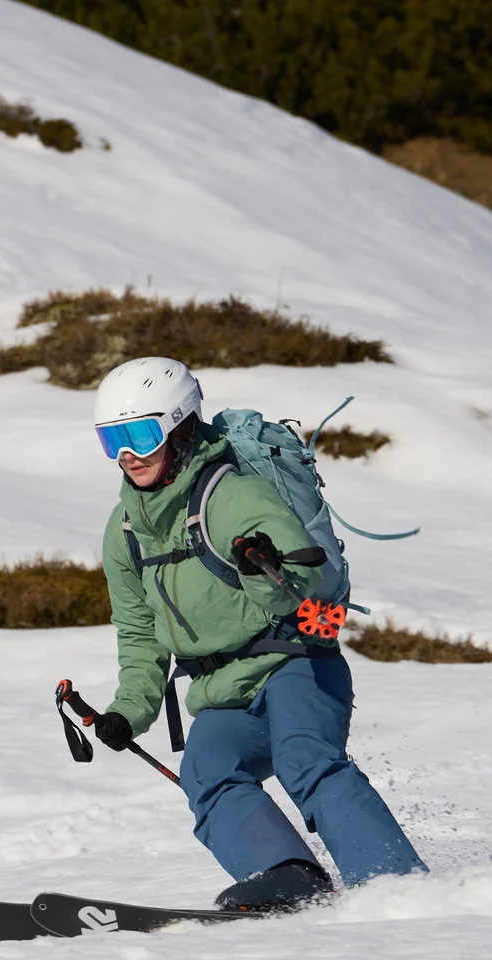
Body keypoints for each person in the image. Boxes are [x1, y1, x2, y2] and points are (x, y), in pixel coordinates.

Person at [86, 356, 428, 912]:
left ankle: (395, 882)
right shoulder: (125, 531)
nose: (127, 453)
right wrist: (130, 709)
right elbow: (139, 630)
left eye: (141, 434)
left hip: (297, 661)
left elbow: (309, 587)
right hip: (223, 688)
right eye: (111, 440)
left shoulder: (233, 497)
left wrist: (263, 570)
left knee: (303, 758)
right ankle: (287, 875)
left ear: (177, 426)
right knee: (206, 769)